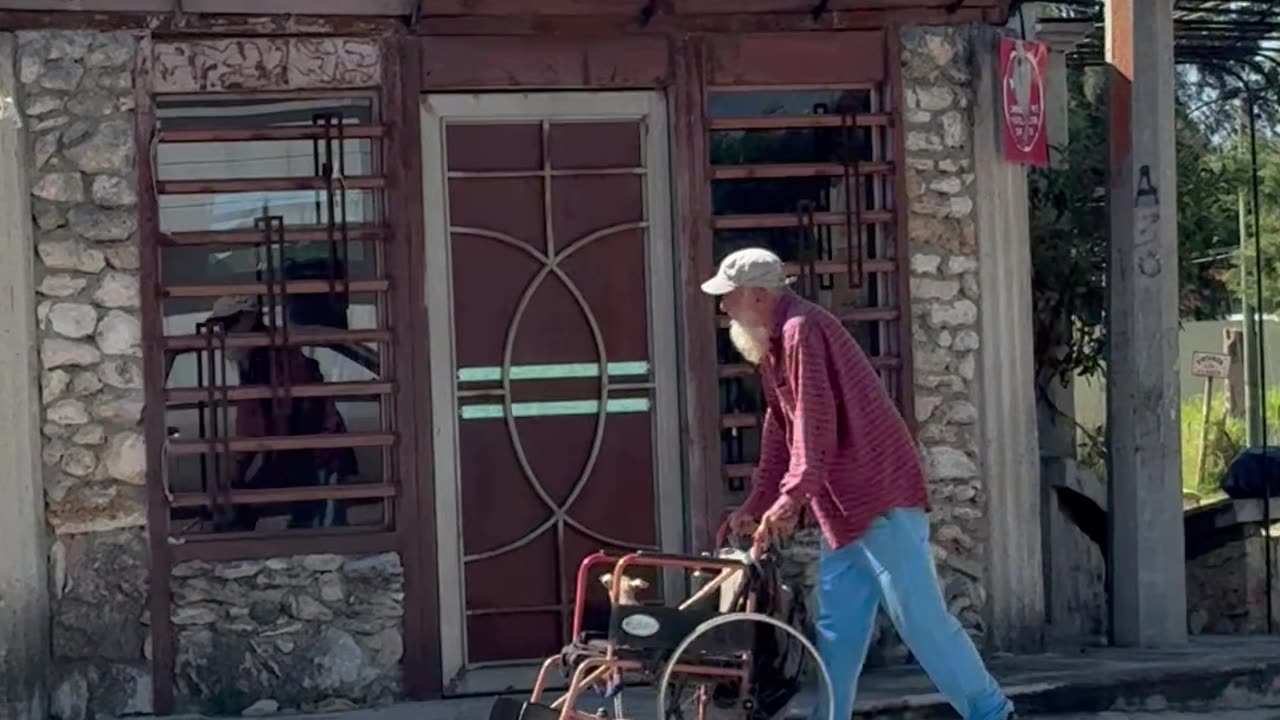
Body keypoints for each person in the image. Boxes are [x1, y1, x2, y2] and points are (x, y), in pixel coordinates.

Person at [702, 248, 1015, 720]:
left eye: (729, 297)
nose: (723, 307)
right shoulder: (775, 343)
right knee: (838, 630)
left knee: (921, 622)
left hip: (878, 498)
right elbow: (780, 430)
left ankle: (993, 712)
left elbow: (815, 426)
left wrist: (789, 499)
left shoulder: (801, 330)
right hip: (844, 510)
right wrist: (758, 500)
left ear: (759, 295)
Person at [206, 295, 357, 531]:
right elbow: (257, 422)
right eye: (220, 327)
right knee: (308, 528)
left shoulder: (274, 358)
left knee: (325, 535)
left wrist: (241, 473)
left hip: (318, 453)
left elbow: (270, 418)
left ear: (249, 319)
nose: (224, 333)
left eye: (228, 324)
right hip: (298, 454)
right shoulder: (257, 359)